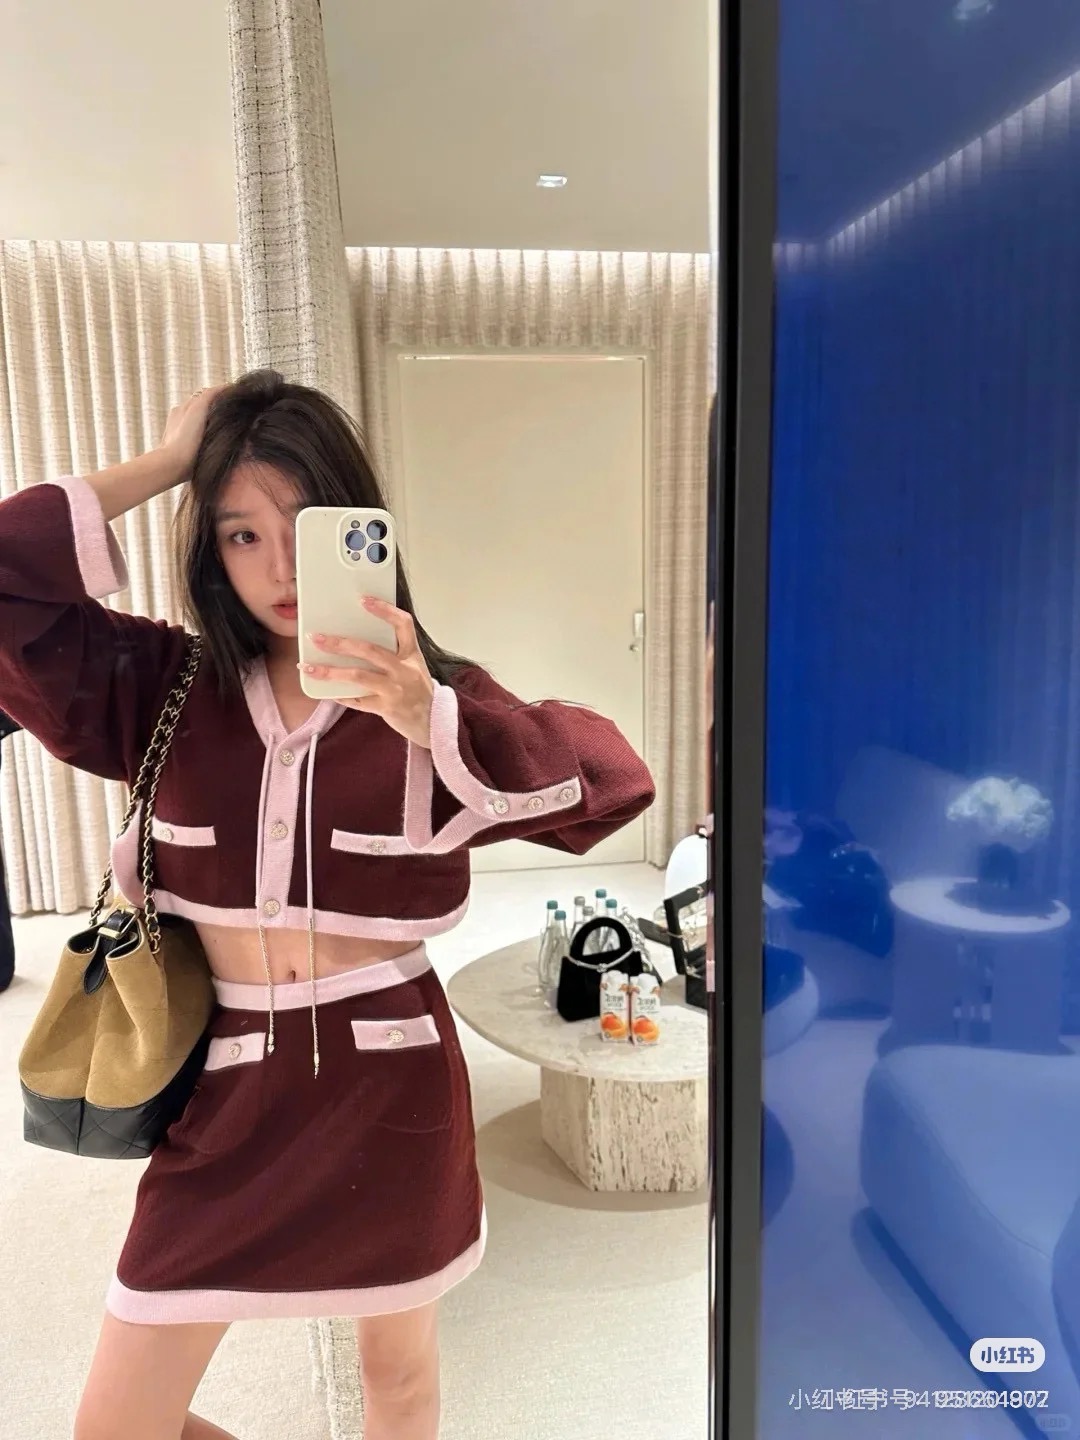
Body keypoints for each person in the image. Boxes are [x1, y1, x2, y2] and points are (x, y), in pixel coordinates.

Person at [0, 369, 655, 1440]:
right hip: (221, 1091)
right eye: (240, 534)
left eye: (306, 529)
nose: (279, 568)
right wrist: (169, 461)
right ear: (209, 550)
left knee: (397, 1382)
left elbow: (612, 783)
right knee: (115, 1426)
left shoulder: (430, 694)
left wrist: (430, 716)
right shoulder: (160, 685)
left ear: (363, 529)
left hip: (391, 1085)